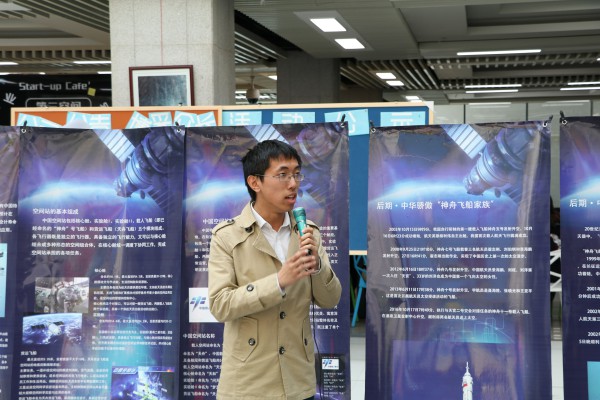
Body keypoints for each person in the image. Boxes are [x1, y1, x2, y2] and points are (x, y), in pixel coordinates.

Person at [208, 139, 342, 400]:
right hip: (248, 385)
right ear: (254, 182)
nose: (293, 184)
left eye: (296, 174)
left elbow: (330, 299)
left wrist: (318, 267)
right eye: (282, 175)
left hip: (298, 380)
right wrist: (278, 282)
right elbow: (220, 304)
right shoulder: (226, 236)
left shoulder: (308, 233)